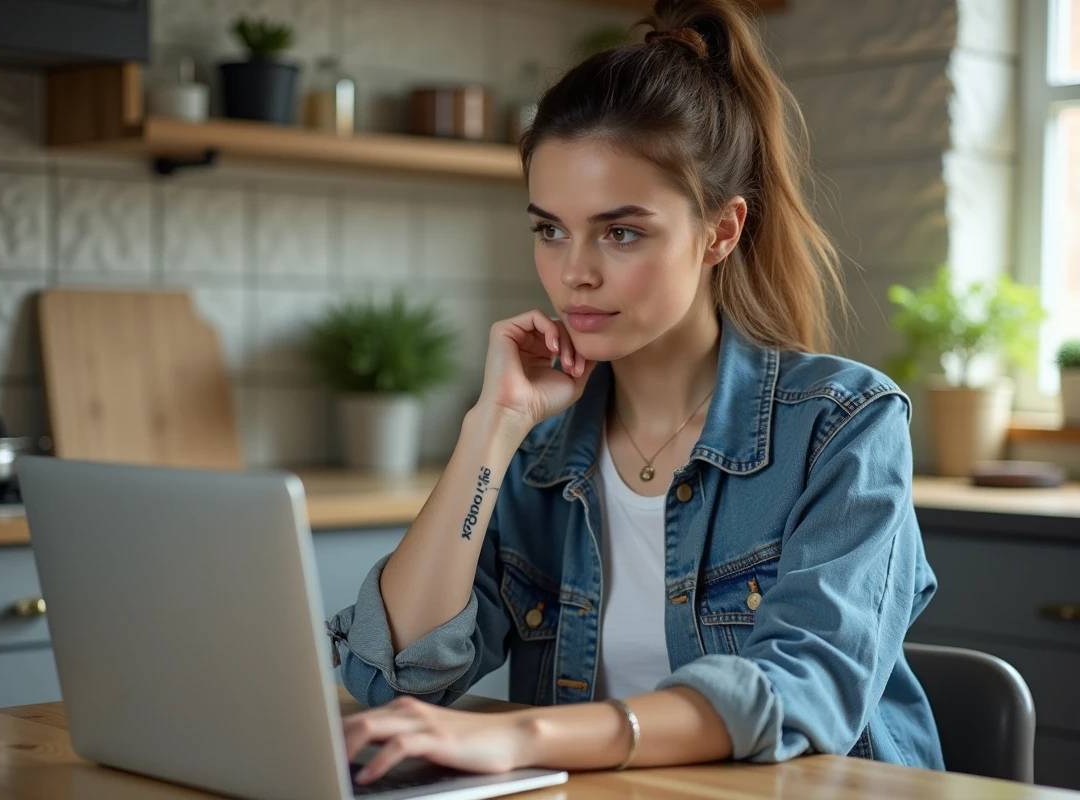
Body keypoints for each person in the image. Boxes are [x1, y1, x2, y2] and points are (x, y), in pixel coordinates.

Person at [326, 0, 944, 784]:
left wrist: (528, 738)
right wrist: (491, 430)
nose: (575, 272)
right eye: (550, 229)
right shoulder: (538, 449)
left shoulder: (842, 427)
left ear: (720, 232)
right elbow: (397, 673)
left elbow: (805, 689)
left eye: (621, 232)